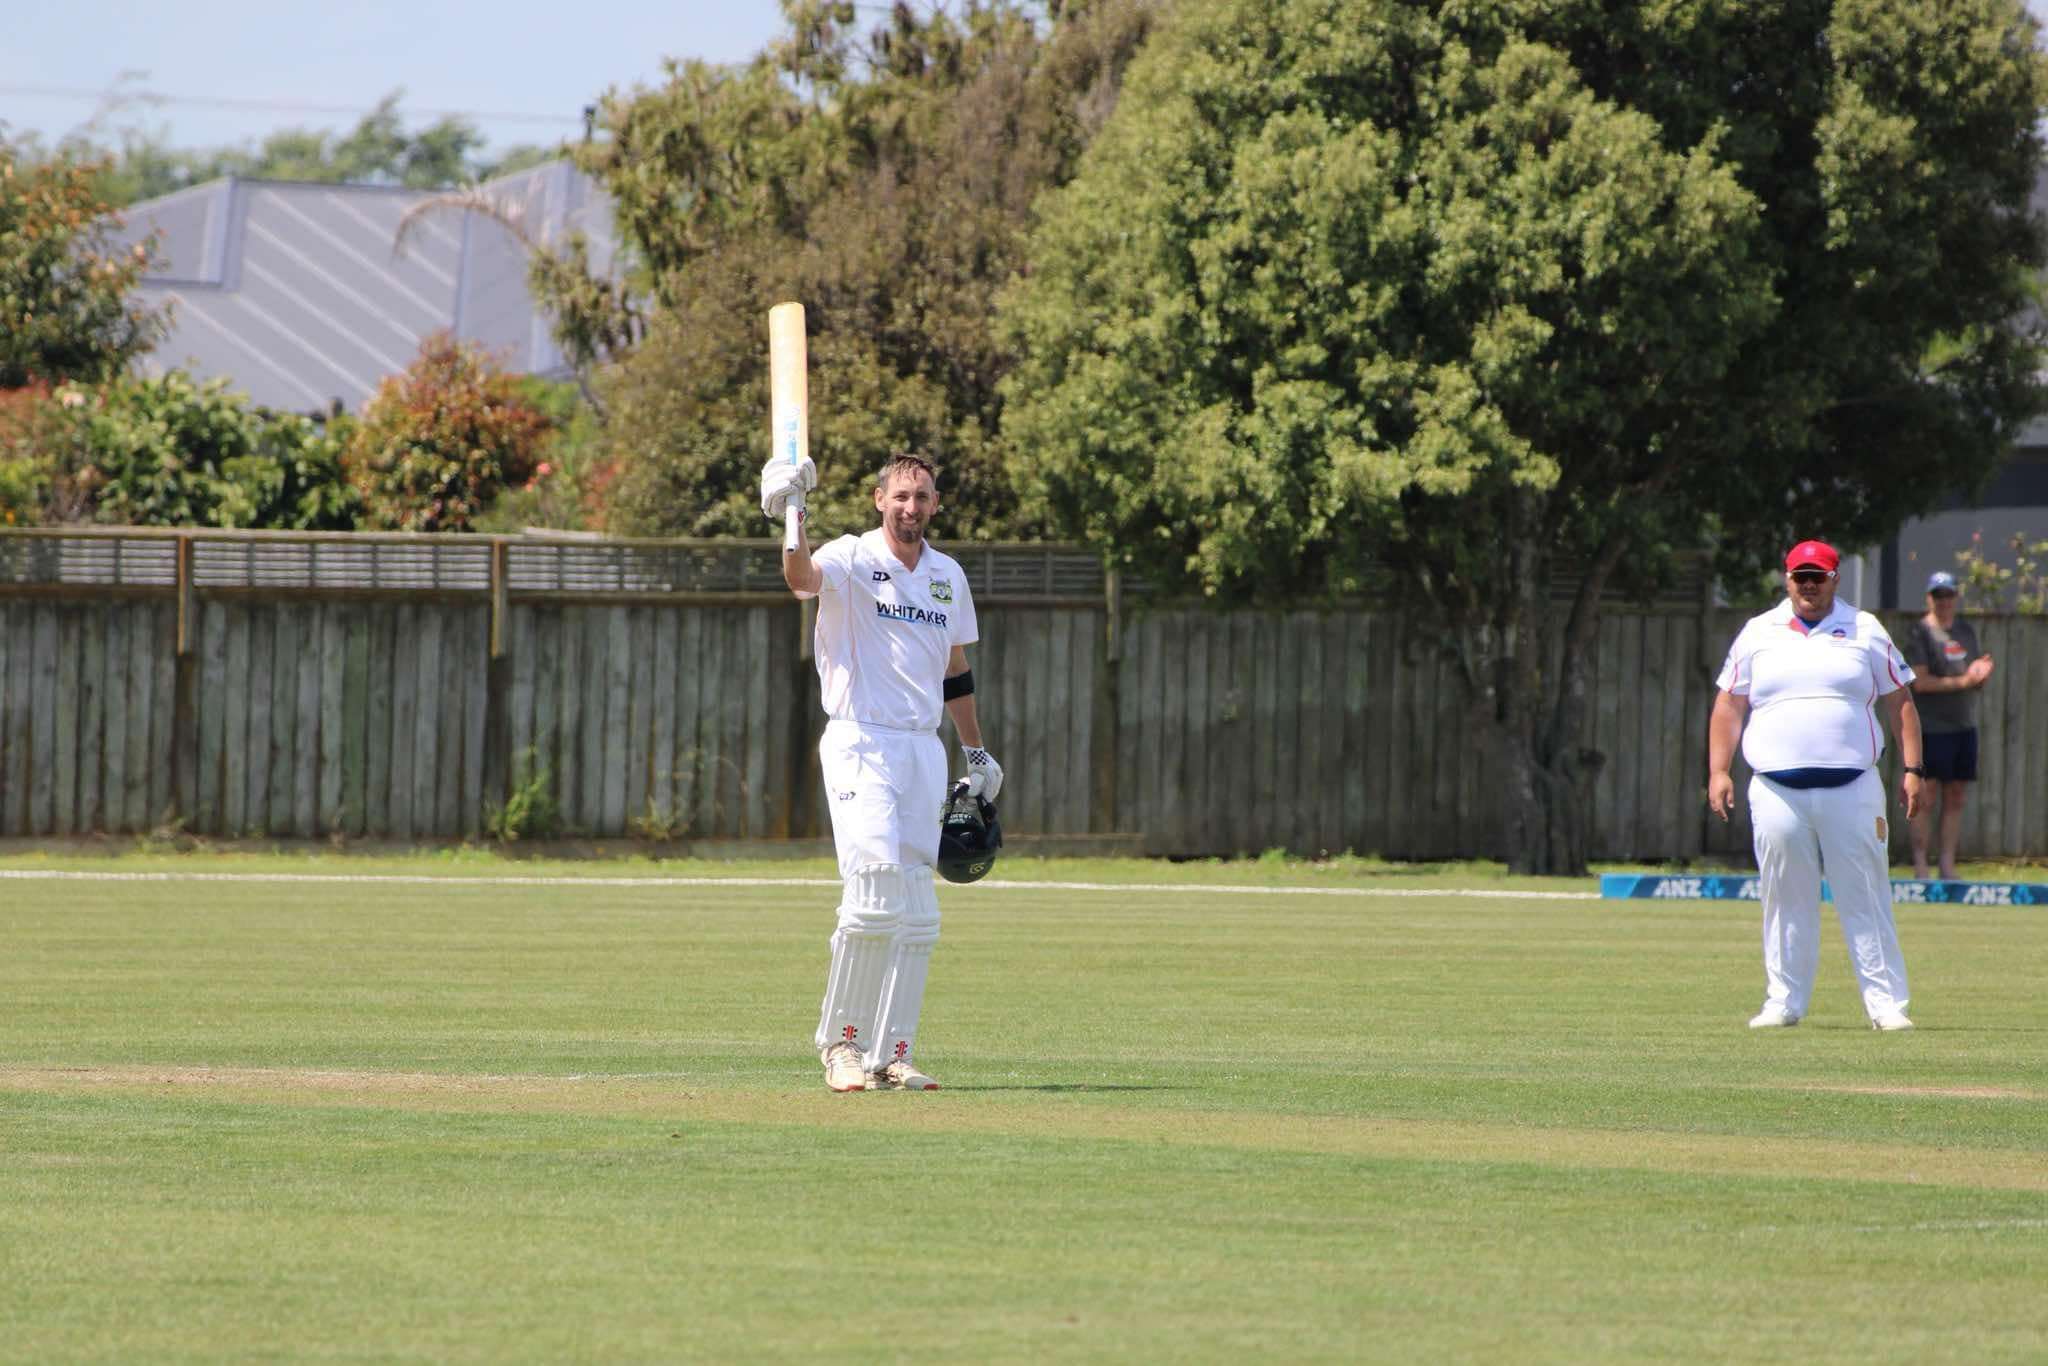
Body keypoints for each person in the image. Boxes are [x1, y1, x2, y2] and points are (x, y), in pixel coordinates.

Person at [761, 449, 1002, 1092]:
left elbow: (955, 669)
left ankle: (891, 1054)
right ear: (878, 499)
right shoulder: (851, 556)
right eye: (901, 496)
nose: (911, 508)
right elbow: (800, 578)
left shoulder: (947, 575)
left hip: (923, 748)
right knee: (871, 892)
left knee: (918, 911)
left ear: (936, 504)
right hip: (860, 740)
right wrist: (791, 514)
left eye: (922, 497)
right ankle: (841, 1046)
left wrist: (975, 751)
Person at [1706, 539, 1925, 1031]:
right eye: (1800, 576)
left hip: (1852, 786)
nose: (1808, 585)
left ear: (1834, 579)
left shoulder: (1865, 629)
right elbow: (1729, 704)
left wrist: (1914, 769)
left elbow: (1900, 701)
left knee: (1865, 893)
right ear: (1786, 579)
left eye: (1817, 576)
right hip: (1776, 788)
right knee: (1784, 896)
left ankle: (1885, 1004)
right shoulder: (1758, 632)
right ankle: (1784, 1000)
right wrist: (1719, 771)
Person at [1903, 570, 1994, 881]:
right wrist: (1965, 680)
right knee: (1925, 796)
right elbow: (1922, 683)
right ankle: (1920, 866)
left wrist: (1979, 677)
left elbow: (1970, 678)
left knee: (1956, 795)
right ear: (1930, 598)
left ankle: (1947, 865)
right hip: (1930, 727)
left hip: (1962, 725)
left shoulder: (1965, 632)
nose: (1944, 601)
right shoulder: (1920, 634)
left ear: (1956, 597)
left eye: (1948, 595)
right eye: (1938, 595)